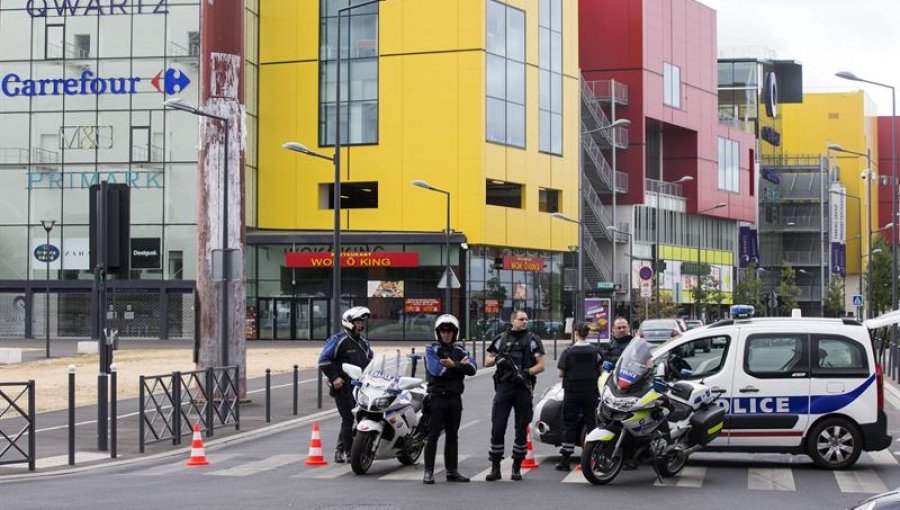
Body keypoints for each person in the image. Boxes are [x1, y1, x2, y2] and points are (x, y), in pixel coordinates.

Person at [485, 309, 545, 481]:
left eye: (526, 319)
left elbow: (541, 365)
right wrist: (498, 360)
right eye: (521, 319)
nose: (524, 322)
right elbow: (487, 360)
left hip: (523, 388)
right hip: (504, 387)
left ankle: (516, 467)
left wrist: (526, 372)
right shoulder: (501, 339)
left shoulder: (533, 340)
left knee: (521, 428)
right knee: (498, 427)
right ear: (513, 321)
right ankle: (495, 468)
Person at [422, 314, 477, 484]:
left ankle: (452, 471)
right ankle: (428, 472)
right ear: (438, 333)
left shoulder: (460, 350)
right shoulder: (431, 349)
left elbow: (473, 368)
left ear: (455, 334)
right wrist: (460, 367)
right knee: (432, 435)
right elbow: (436, 370)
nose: (446, 334)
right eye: (444, 331)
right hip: (436, 397)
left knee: (452, 436)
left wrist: (454, 365)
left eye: (450, 332)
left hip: (454, 398)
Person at [318, 306, 373, 463]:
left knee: (361, 418)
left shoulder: (364, 343)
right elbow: (324, 360)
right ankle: (348, 452)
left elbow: (371, 362)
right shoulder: (338, 340)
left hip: (360, 388)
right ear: (348, 322)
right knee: (348, 418)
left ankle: (342, 449)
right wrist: (334, 378)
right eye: (357, 322)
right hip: (343, 387)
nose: (360, 325)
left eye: (362, 322)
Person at [555, 322, 601, 471]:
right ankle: (592, 456)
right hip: (590, 392)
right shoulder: (595, 351)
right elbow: (600, 370)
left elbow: (560, 373)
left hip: (572, 392)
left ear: (575, 333)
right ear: (587, 333)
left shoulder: (568, 352)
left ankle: (565, 459)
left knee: (569, 425)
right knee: (592, 424)